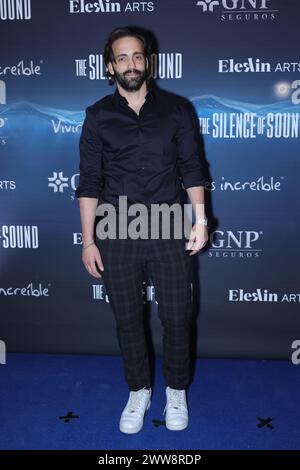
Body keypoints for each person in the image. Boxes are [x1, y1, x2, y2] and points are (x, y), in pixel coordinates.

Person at [75, 26, 208, 434]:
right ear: (109, 66)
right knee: (127, 319)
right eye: (121, 58)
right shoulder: (97, 115)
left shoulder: (177, 109)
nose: (130, 64)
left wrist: (200, 220)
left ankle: (176, 391)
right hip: (116, 228)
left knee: (176, 317)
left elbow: (192, 169)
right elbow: (89, 181)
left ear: (147, 60)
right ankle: (138, 391)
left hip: (169, 225)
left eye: (137, 56)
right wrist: (89, 240)